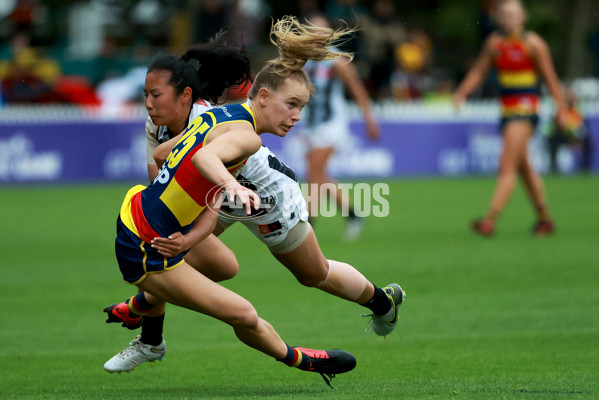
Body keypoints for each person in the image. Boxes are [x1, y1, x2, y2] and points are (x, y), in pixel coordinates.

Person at [104, 27, 405, 376]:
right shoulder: (172, 124)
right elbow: (170, 160)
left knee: (314, 273)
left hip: (268, 199)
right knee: (174, 250)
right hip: (224, 191)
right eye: (147, 95)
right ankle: (150, 338)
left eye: (156, 94)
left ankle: (383, 302)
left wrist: (225, 186)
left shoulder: (215, 120)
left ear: (185, 96)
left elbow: (203, 159)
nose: (150, 104)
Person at [453, 0, 567, 237]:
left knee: (507, 164)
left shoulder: (533, 43)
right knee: (523, 166)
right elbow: (479, 71)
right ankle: (544, 218)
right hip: (506, 112)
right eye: (505, 14)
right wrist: (463, 91)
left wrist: (562, 110)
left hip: (526, 111)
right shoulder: (494, 43)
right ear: (497, 17)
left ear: (523, 17)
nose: (509, 18)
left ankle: (489, 219)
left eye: (514, 14)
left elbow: (551, 79)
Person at [298, 13, 380, 241]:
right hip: (311, 125)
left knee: (314, 172)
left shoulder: (335, 59)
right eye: (313, 29)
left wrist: (369, 120)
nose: (317, 34)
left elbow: (356, 88)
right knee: (319, 175)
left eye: (321, 30)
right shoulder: (304, 59)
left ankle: (307, 225)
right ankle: (353, 216)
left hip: (331, 124)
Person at [547, 87, 593, 173]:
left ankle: (583, 167)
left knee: (586, 139)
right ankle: (553, 167)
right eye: (567, 96)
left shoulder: (578, 109)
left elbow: (579, 124)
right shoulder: (561, 108)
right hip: (561, 135)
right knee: (554, 140)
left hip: (574, 135)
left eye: (571, 96)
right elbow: (558, 123)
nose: (569, 98)